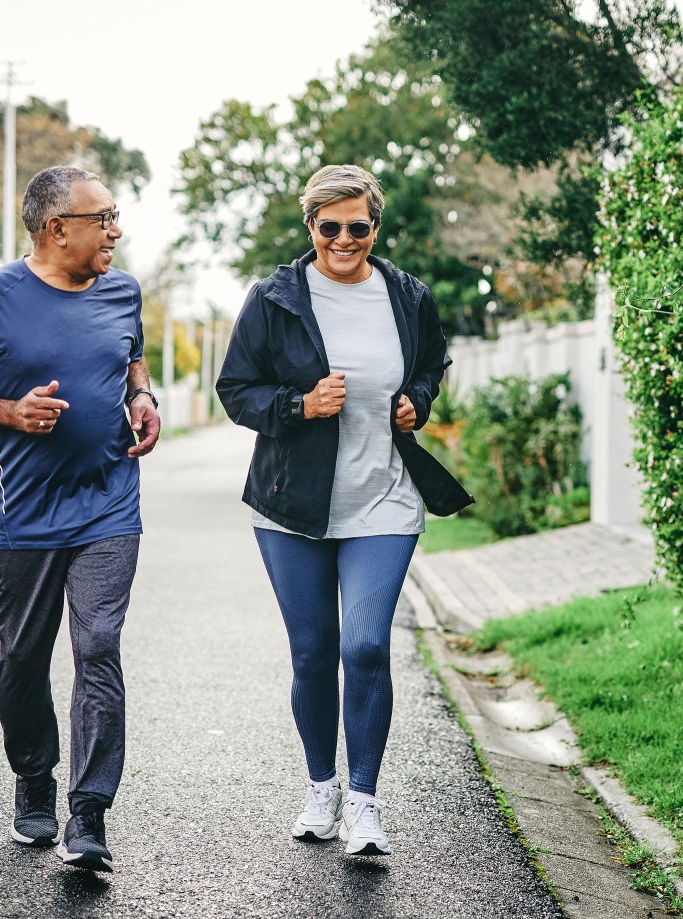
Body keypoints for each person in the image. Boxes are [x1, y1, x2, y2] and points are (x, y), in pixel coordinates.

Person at [217, 163, 472, 856]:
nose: (344, 239)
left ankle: (364, 800)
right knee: (313, 651)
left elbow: (431, 363)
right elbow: (235, 389)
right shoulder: (274, 298)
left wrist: (419, 399)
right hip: (290, 505)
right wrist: (299, 405)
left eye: (358, 227)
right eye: (329, 227)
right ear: (310, 226)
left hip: (383, 497)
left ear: (374, 227)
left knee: (364, 644)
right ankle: (321, 787)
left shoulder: (407, 294)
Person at [0, 164, 160, 872]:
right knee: (23, 658)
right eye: (105, 219)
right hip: (20, 509)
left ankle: (88, 813)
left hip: (108, 502)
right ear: (57, 228)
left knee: (99, 646)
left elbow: (133, 358)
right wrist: (11, 412)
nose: (116, 231)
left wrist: (144, 396)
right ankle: (35, 773)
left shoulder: (122, 289)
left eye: (117, 217)